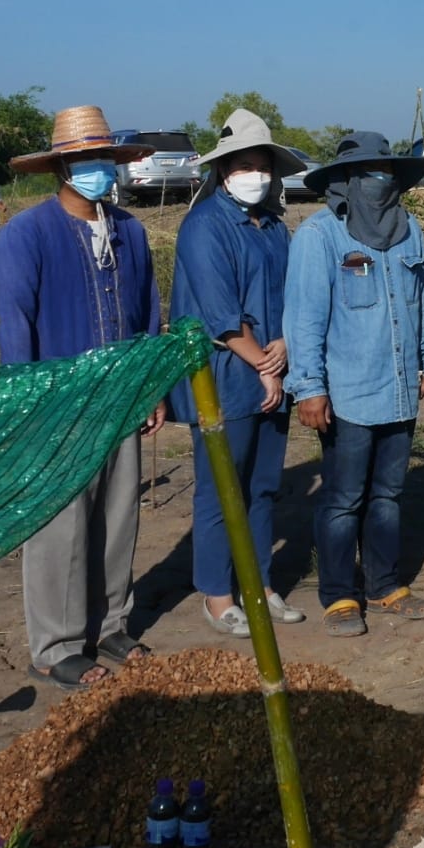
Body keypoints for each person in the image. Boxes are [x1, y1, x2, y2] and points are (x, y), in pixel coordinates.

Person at [0, 106, 165, 690]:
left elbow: (149, 318)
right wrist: (26, 403)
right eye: (84, 161)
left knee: (119, 517)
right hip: (58, 404)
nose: (97, 170)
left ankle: (111, 623)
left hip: (121, 398)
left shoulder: (130, 232)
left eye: (104, 160)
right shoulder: (27, 233)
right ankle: (56, 644)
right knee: (60, 527)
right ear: (61, 167)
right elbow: (14, 323)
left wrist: (151, 388)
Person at [285, 131, 424, 637]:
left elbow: (422, 304)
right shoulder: (319, 237)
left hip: (399, 391)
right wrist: (309, 388)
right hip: (349, 393)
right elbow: (305, 319)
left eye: (386, 174)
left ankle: (383, 585)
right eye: (368, 175)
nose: (380, 183)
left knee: (387, 496)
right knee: (343, 498)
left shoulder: (411, 231)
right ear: (345, 183)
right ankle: (338, 595)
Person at [169, 109, 309, 637]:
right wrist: (265, 367)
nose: (258, 175)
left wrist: (286, 345)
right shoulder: (204, 226)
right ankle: (217, 594)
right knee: (221, 486)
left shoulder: (274, 227)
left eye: (264, 166)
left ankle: (260, 584)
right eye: (246, 165)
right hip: (228, 376)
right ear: (223, 170)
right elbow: (219, 315)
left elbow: (292, 296)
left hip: (273, 366)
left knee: (264, 485)